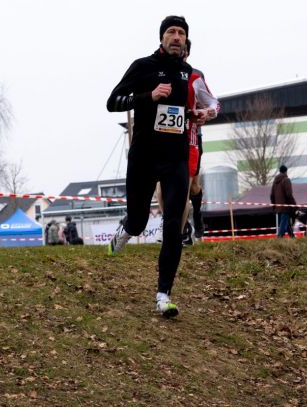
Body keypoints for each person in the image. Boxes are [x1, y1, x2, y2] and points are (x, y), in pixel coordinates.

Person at [106, 16, 198, 318]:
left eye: (181, 33)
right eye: (171, 32)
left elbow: (191, 109)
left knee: (174, 226)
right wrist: (149, 96)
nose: (176, 37)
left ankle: (163, 295)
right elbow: (113, 102)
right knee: (139, 221)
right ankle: (126, 229)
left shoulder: (189, 74)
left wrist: (198, 115)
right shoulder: (143, 66)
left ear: (185, 40)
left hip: (175, 159)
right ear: (162, 38)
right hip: (144, 156)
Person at [156, 38, 220, 246]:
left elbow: (212, 103)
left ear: (187, 53)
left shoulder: (195, 75)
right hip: (164, 139)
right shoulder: (158, 72)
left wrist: (204, 113)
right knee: (161, 188)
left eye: (182, 50)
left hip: (191, 138)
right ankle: (176, 228)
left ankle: (194, 219)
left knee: (191, 186)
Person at [270, 165, 296, 238]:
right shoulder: (286, 180)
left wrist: (274, 206)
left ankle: (292, 236)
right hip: (285, 206)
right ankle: (280, 236)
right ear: (286, 171)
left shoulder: (275, 182)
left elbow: (272, 195)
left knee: (286, 221)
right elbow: (289, 194)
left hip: (278, 206)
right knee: (284, 222)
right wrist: (294, 205)